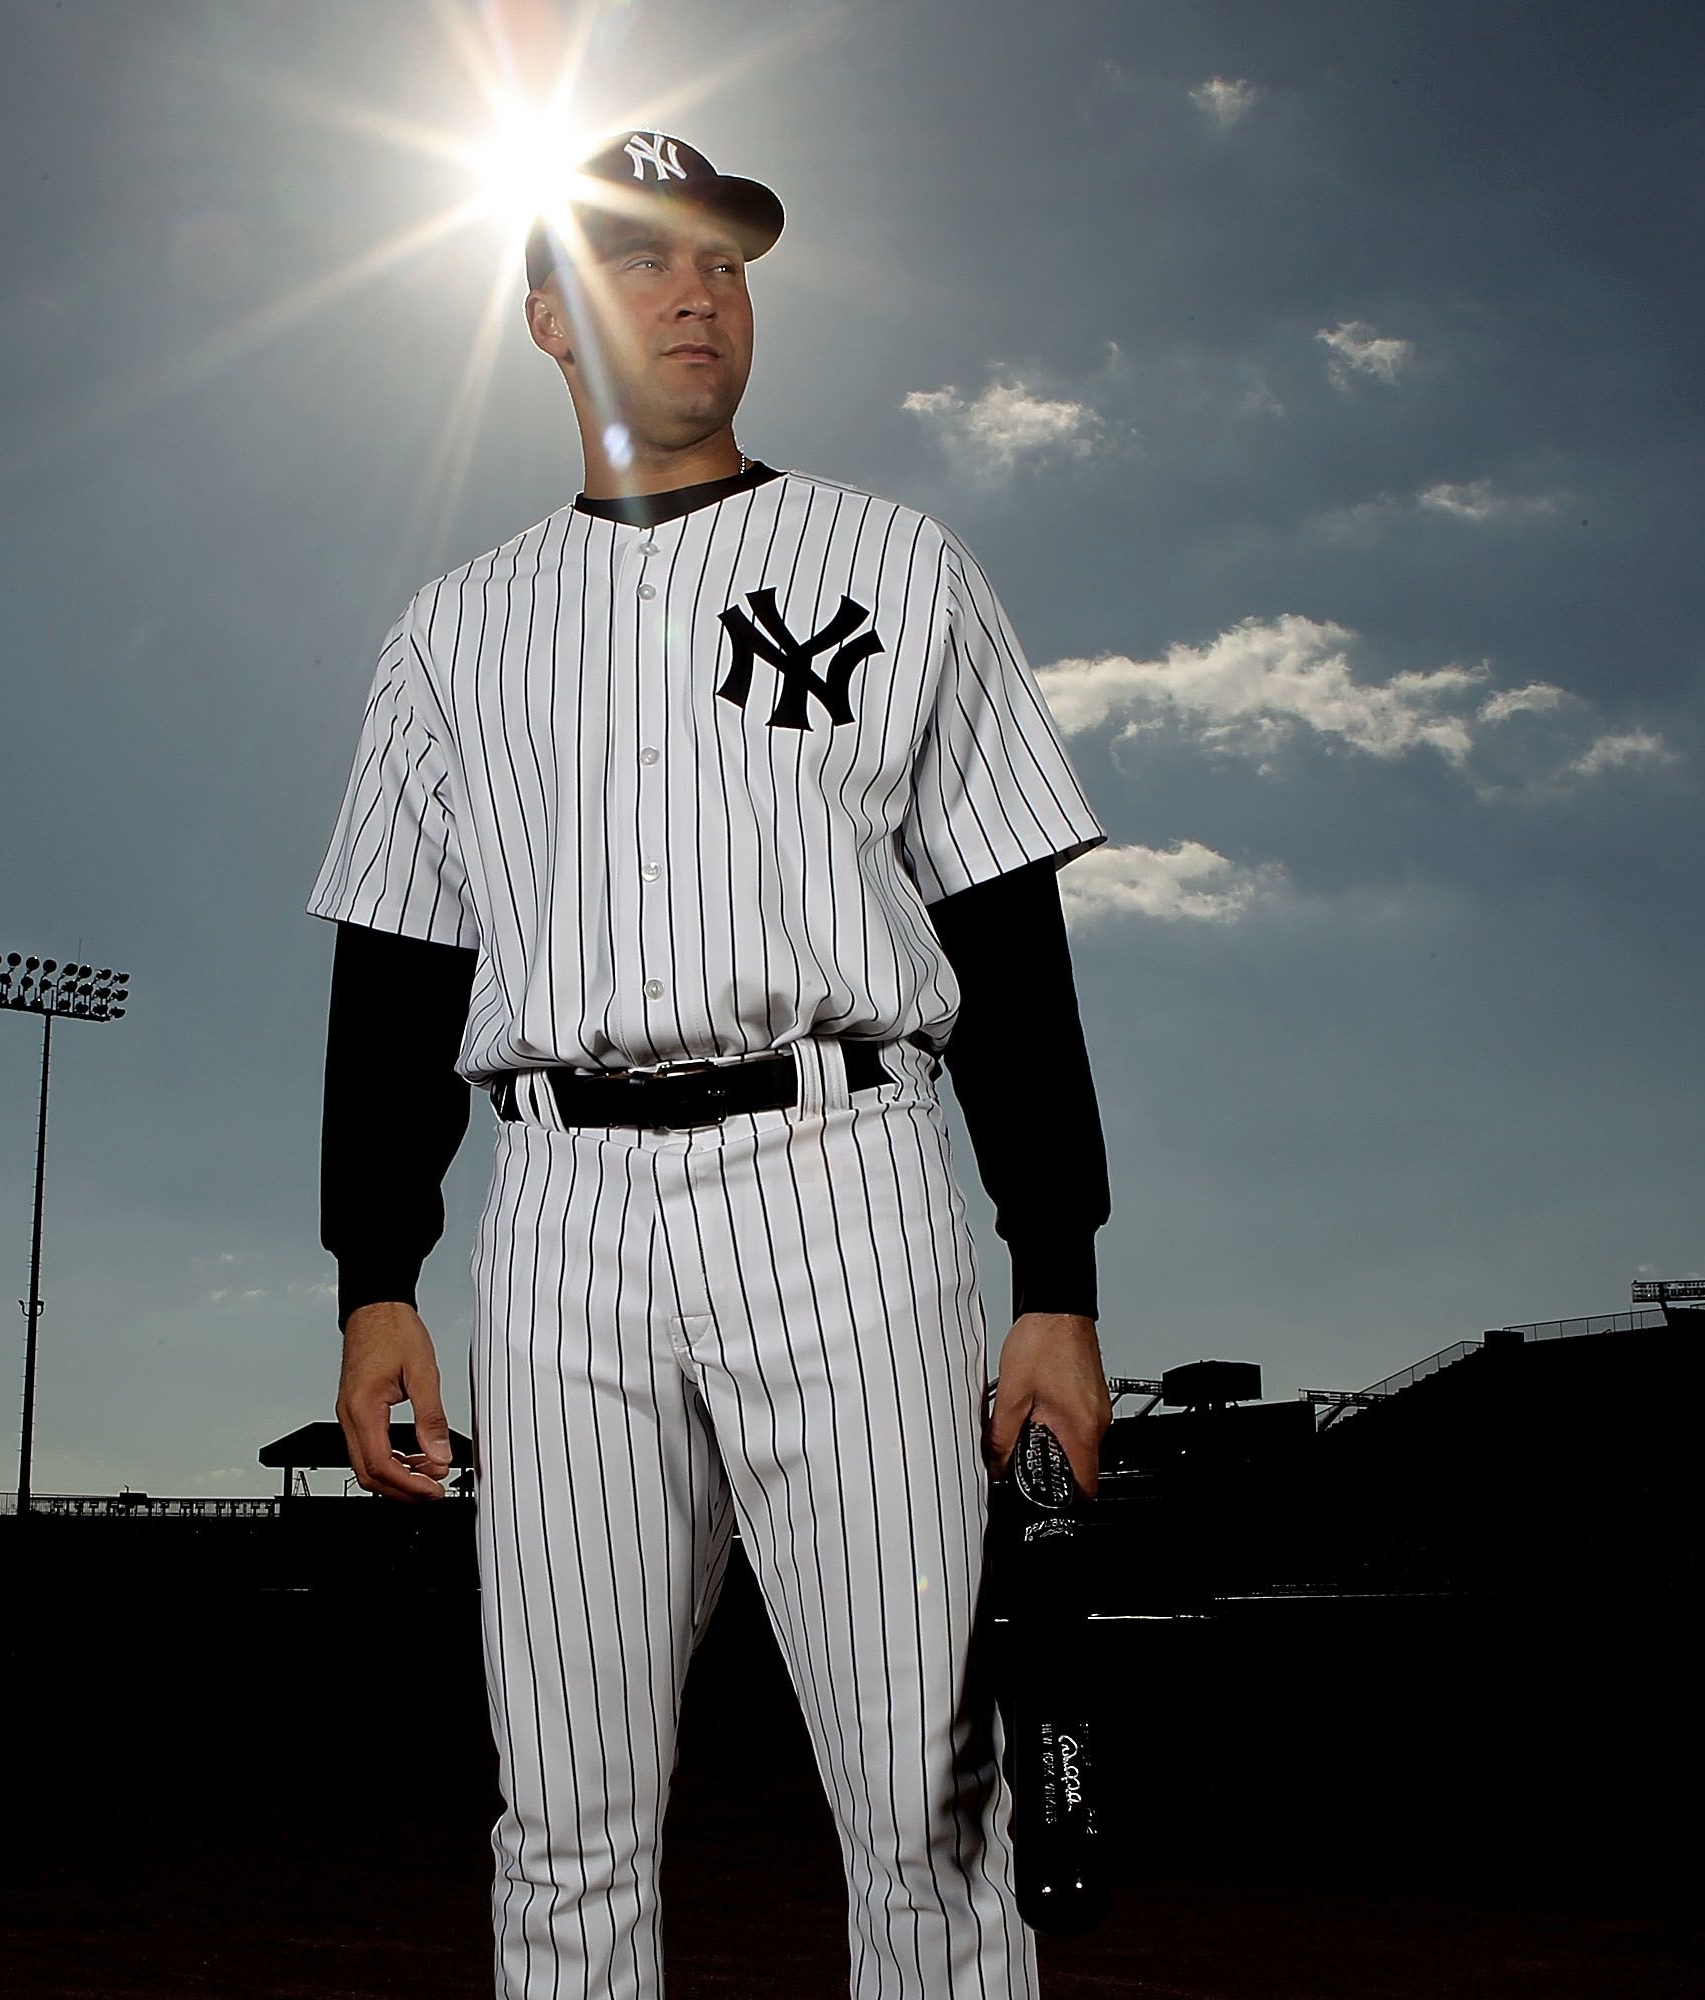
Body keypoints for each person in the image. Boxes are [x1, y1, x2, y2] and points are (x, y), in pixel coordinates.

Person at [306, 128, 1113, 1999]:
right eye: (641, 263)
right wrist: (373, 1275)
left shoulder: (898, 565)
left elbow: (1007, 935)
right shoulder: (453, 635)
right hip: (561, 1207)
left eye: (724, 265)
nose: (694, 293)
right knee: (563, 1812)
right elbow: (395, 966)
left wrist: (1057, 1275)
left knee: (929, 1799)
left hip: (844, 1183)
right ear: (541, 321)